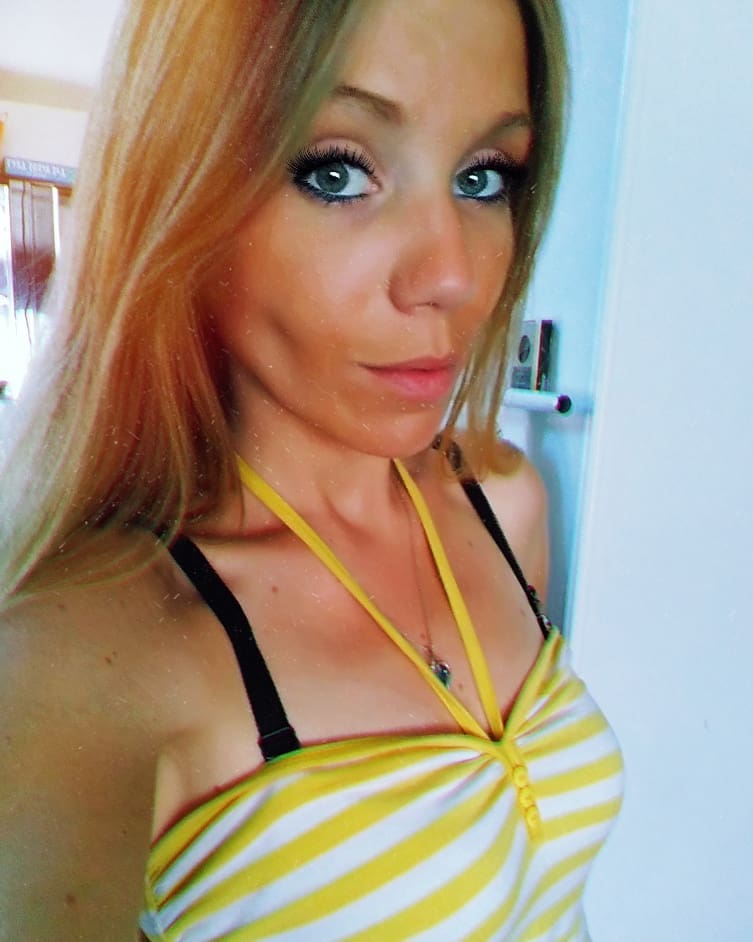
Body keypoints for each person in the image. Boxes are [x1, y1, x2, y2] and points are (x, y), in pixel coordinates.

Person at [0, 0, 623, 939]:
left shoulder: (503, 503)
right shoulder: (84, 650)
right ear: (181, 192)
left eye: (482, 176)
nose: (451, 276)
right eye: (336, 173)